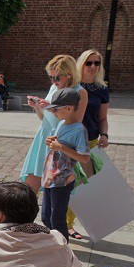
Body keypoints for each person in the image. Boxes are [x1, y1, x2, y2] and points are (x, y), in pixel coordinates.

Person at [20, 55, 87, 194]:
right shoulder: (53, 88)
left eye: (57, 77)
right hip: (43, 137)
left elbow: (75, 124)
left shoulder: (80, 92)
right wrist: (37, 106)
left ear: (69, 74)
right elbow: (45, 119)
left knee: (54, 193)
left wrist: (51, 107)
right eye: (51, 77)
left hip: (59, 142)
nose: (53, 81)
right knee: (29, 187)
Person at [67, 49, 110, 240]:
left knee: (83, 185)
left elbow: (103, 118)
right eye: (89, 62)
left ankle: (70, 223)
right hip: (69, 141)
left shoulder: (102, 89)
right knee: (67, 182)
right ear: (81, 63)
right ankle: (62, 223)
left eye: (97, 63)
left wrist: (104, 134)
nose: (93, 66)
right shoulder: (72, 86)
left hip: (90, 142)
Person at [41, 88, 90, 241]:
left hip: (63, 180)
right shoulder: (62, 123)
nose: (53, 112)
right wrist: (51, 140)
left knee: (57, 218)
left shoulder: (79, 130)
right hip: (50, 176)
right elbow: (60, 141)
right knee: (45, 216)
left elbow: (85, 158)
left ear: (69, 108)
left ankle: (62, 248)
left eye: (55, 109)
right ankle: (53, 244)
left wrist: (61, 147)